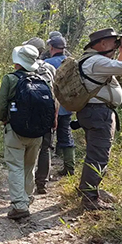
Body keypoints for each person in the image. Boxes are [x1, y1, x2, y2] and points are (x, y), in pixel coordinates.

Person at [77, 28, 122, 210]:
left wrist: (121, 52)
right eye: (114, 41)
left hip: (94, 112)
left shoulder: (92, 60)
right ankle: (90, 198)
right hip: (98, 113)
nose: (116, 44)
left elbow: (118, 67)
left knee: (95, 153)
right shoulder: (96, 61)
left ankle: (90, 190)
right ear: (103, 43)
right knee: (98, 156)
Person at [0, 44, 48, 219]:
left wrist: (3, 118)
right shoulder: (42, 80)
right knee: (29, 166)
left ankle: (19, 205)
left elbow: (1, 104)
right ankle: (27, 197)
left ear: (17, 62)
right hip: (38, 132)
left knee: (15, 166)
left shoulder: (10, 79)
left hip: (15, 130)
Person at [23, 37, 56, 194]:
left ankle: (25, 184)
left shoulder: (23, 66)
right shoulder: (49, 69)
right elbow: (56, 95)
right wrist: (55, 116)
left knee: (26, 147)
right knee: (45, 148)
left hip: (27, 114)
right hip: (46, 113)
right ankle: (42, 183)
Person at [44, 36, 76, 176]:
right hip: (67, 105)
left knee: (46, 139)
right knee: (66, 134)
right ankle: (70, 167)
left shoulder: (45, 63)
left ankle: (44, 171)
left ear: (51, 48)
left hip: (50, 106)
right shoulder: (72, 63)